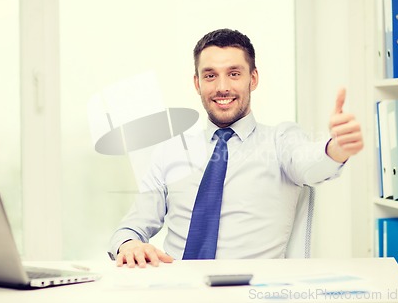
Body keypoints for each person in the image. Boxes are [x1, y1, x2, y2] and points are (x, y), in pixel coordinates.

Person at [108, 28, 363, 268]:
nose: (222, 87)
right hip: (179, 290)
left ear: (253, 79)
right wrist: (128, 244)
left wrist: (336, 148)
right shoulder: (170, 152)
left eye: (234, 73)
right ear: (197, 83)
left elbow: (310, 163)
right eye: (210, 76)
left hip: (251, 293)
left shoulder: (280, 140)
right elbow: (134, 225)